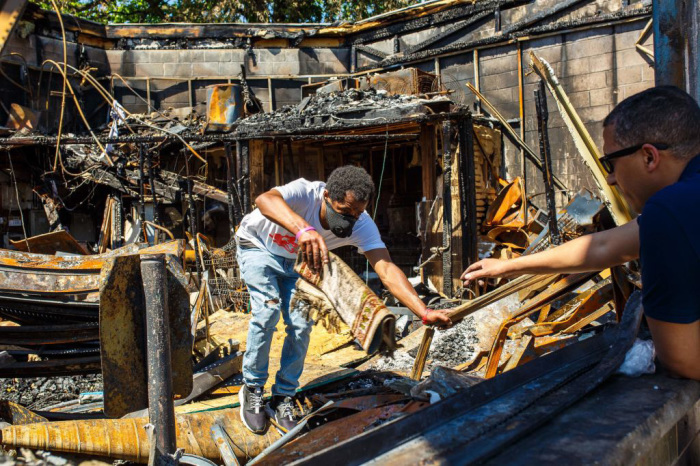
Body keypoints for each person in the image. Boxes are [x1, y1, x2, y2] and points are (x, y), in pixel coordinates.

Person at [461, 85, 700, 381]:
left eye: (610, 164)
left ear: (649, 157)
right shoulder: (686, 203)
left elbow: (682, 360)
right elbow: (602, 247)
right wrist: (508, 266)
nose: (610, 179)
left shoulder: (670, 210)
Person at [235, 165, 452, 433]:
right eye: (345, 211)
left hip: (297, 264)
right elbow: (264, 199)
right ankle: (253, 387)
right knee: (268, 312)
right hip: (258, 246)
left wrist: (422, 311)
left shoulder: (362, 224)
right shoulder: (305, 192)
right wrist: (304, 229)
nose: (351, 219)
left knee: (302, 326)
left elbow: (385, 268)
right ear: (326, 196)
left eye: (358, 212)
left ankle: (283, 396)